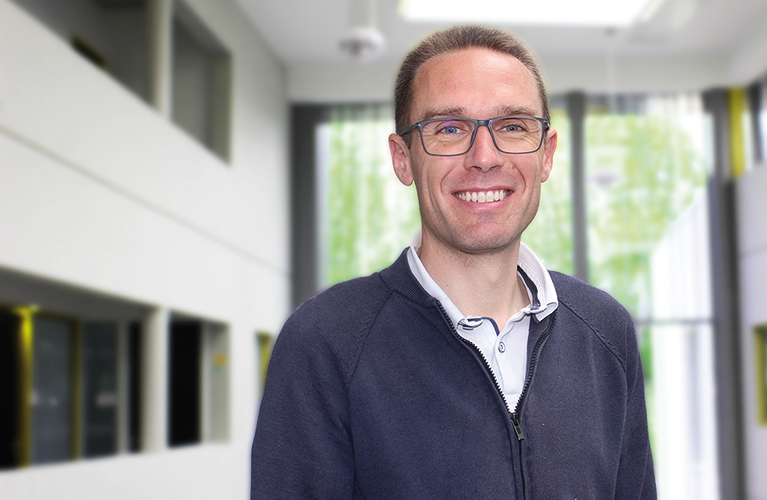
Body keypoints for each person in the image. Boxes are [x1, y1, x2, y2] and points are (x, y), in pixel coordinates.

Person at [251, 25, 655, 499]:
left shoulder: (606, 332)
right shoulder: (325, 342)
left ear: (546, 155)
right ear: (403, 159)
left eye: (512, 126)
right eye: (448, 129)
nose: (485, 157)